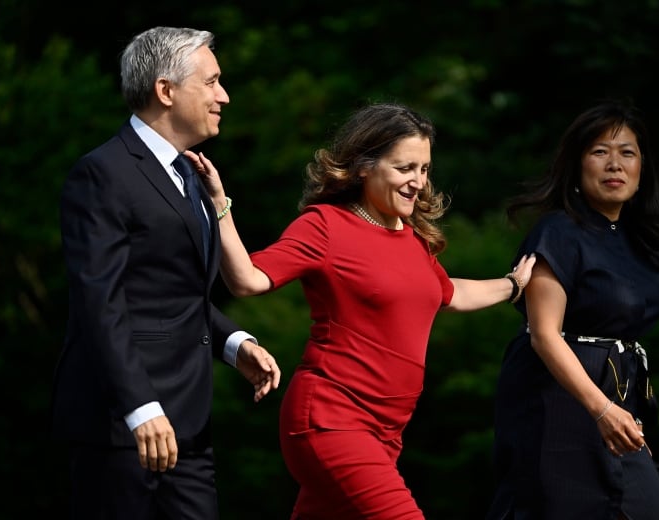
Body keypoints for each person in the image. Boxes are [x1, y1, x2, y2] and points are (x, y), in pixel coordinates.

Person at [184, 102, 536, 519]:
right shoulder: (326, 225)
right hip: (331, 420)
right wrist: (220, 205)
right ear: (365, 167)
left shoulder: (413, 238)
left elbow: (449, 292)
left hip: (387, 432)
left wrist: (513, 285)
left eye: (424, 170)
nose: (418, 183)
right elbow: (248, 279)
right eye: (405, 168)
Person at [51, 26, 281, 519]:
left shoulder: (191, 174)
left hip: (188, 426)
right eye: (212, 81)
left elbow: (173, 291)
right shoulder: (102, 174)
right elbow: (101, 302)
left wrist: (234, 343)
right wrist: (140, 408)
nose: (224, 95)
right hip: (121, 426)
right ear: (165, 90)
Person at [485, 99, 659, 519]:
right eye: (599, 152)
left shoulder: (640, 242)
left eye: (627, 152)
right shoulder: (558, 231)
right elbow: (543, 333)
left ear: (642, 168)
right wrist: (602, 409)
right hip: (557, 402)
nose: (615, 164)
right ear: (577, 165)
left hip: (617, 398)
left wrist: (616, 406)